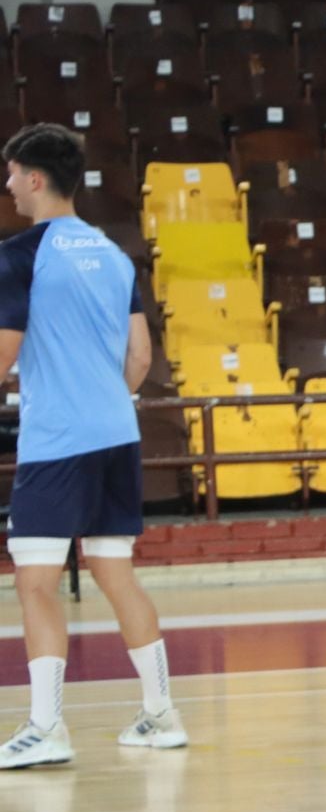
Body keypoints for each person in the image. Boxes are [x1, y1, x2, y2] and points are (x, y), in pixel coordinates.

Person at [0, 122, 186, 769]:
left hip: (57, 443)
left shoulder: (20, 255)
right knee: (115, 571)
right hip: (117, 435)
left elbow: (3, 355)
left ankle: (47, 727)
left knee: (36, 584)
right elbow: (140, 355)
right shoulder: (113, 254)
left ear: (34, 177)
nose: (8, 186)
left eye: (11, 174)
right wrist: (103, 400)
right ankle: (161, 715)